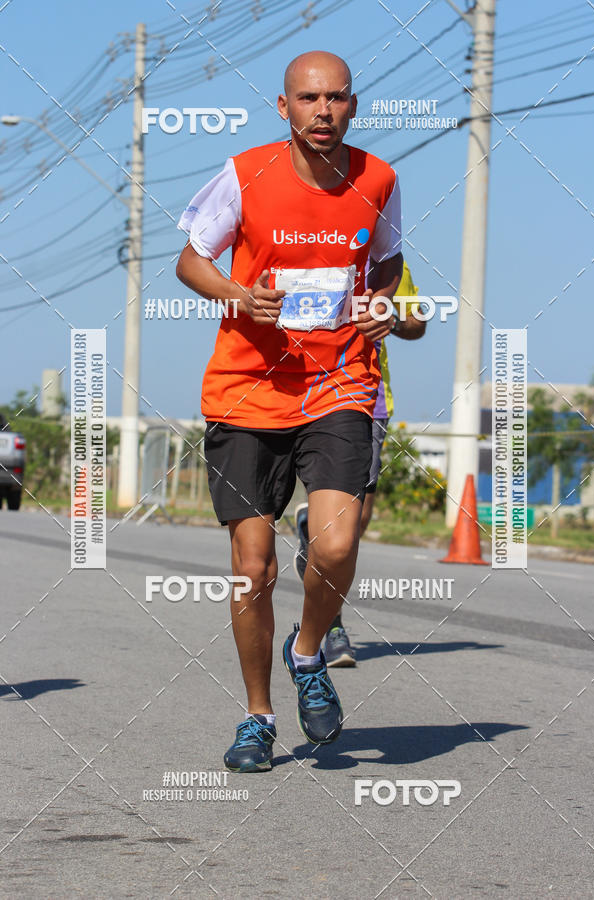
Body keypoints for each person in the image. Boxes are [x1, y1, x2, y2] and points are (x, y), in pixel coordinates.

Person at [176, 50, 417, 773]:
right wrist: (236, 296)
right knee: (254, 570)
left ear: (352, 105)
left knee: (336, 544)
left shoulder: (379, 179)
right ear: (284, 108)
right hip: (247, 390)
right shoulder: (244, 174)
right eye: (308, 99)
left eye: (337, 98)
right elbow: (190, 259)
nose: (323, 111)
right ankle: (258, 717)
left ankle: (307, 653)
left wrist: (388, 309)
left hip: (339, 385)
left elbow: (388, 271)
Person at [293, 264, 424, 666]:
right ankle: (331, 629)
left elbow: (416, 323)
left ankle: (310, 535)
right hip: (297, 391)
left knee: (354, 525)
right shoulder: (302, 250)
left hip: (365, 398)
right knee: (336, 534)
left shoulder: (388, 263)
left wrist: (391, 320)